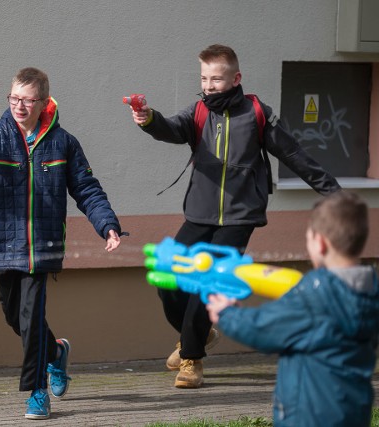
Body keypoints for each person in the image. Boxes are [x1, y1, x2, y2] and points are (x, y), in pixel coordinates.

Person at [129, 44, 341, 389]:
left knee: (206, 282)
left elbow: (295, 155)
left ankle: (192, 360)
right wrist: (149, 118)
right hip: (199, 214)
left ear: (235, 78)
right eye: (204, 78)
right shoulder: (198, 112)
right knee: (166, 278)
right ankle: (195, 335)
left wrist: (335, 195)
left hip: (240, 216)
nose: (209, 85)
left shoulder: (257, 113)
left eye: (216, 78)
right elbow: (171, 128)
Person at [0, 67, 124, 420]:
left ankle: (37, 392)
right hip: (0, 244)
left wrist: (107, 225)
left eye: (27, 100)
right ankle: (56, 353)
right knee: (15, 316)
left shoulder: (64, 143)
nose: (19, 105)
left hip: (42, 248)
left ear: (44, 102)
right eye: (14, 98)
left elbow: (87, 190)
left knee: (31, 317)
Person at [206, 191, 379, 426]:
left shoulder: (314, 296)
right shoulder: (370, 291)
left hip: (309, 415)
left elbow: (263, 328)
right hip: (353, 412)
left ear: (320, 242)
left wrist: (227, 313)